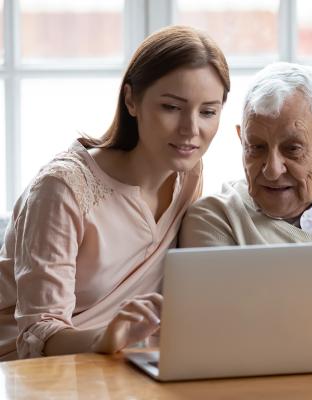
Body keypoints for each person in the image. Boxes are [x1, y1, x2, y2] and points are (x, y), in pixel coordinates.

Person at [0, 25, 230, 361]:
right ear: (131, 100)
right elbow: (38, 336)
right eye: (171, 107)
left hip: (123, 361)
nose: (191, 130)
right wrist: (105, 339)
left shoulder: (188, 175)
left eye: (208, 111)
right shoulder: (61, 190)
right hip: (30, 369)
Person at [180, 61, 312, 340]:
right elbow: (220, 335)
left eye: (293, 149)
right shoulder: (216, 219)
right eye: (256, 148)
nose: (271, 169)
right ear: (241, 140)